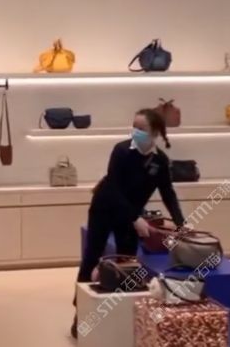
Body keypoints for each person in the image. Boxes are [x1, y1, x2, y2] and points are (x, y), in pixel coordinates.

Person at [71, 108, 184, 340]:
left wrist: (181, 223)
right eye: (134, 126)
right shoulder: (121, 151)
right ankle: (80, 316)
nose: (135, 132)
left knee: (127, 264)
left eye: (141, 128)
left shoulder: (160, 161)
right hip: (104, 209)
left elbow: (168, 193)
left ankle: (118, 314)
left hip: (130, 215)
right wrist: (135, 218)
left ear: (154, 133)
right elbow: (113, 188)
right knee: (92, 257)